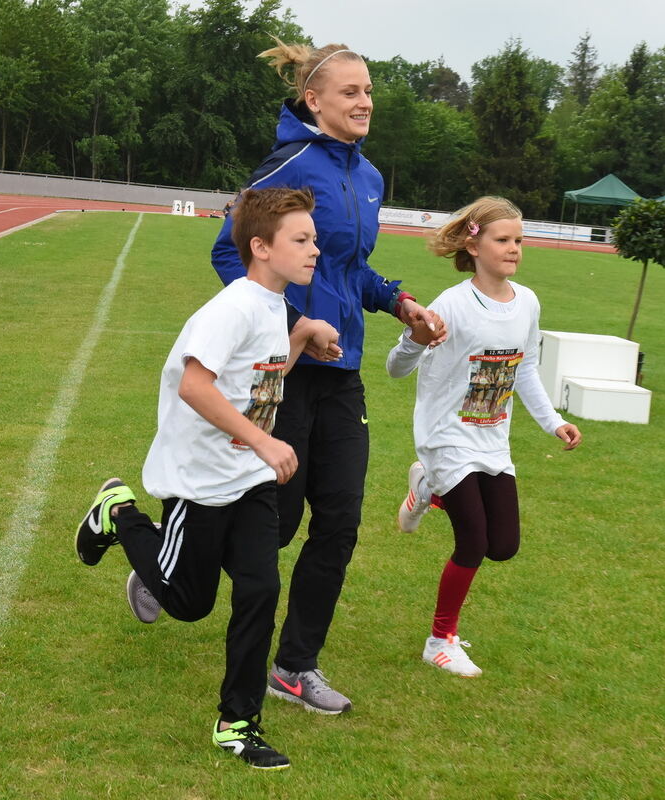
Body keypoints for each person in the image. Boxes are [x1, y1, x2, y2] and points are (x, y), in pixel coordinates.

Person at [211, 39, 446, 714]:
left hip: (344, 375)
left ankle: (294, 666)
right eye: (351, 91)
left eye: (369, 90)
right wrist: (289, 327)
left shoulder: (368, 177)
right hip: (286, 373)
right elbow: (231, 253)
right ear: (314, 100)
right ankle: (176, 563)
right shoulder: (289, 166)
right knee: (274, 526)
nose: (365, 101)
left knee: (339, 520)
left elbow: (351, 270)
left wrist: (401, 304)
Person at [75, 187, 340, 770]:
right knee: (188, 603)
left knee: (260, 589)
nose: (315, 250)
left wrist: (300, 336)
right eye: (302, 240)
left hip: (246, 480)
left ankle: (237, 723)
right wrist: (266, 440)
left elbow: (259, 384)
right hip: (199, 482)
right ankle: (118, 512)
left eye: (314, 239)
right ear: (260, 247)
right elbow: (196, 387)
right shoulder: (234, 307)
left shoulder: (274, 307)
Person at [388, 196, 582, 677]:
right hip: (446, 436)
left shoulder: (528, 302)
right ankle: (440, 640)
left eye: (519, 240)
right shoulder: (452, 304)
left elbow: (527, 370)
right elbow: (396, 368)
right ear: (474, 245)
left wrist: (552, 421)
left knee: (503, 546)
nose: (515, 248)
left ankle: (426, 490)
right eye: (503, 240)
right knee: (472, 541)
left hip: (492, 439)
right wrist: (414, 337)